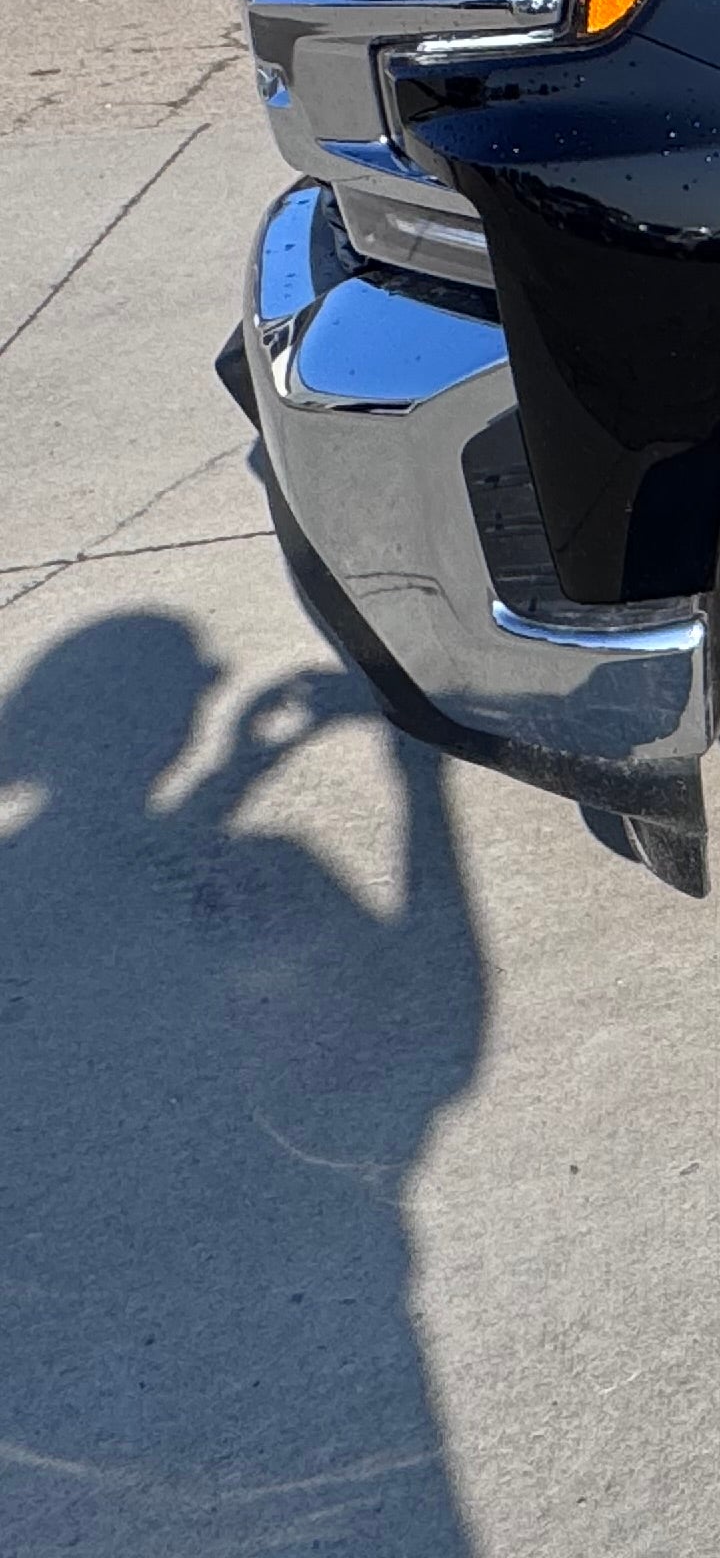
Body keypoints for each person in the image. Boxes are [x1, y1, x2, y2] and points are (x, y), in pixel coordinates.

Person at [0, 614, 485, 1554]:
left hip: (46, 1422)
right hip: (311, 1396)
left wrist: (232, 776)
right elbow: (438, 1043)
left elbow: (108, 906)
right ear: (168, 721)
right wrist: (421, 784)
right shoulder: (268, 885)